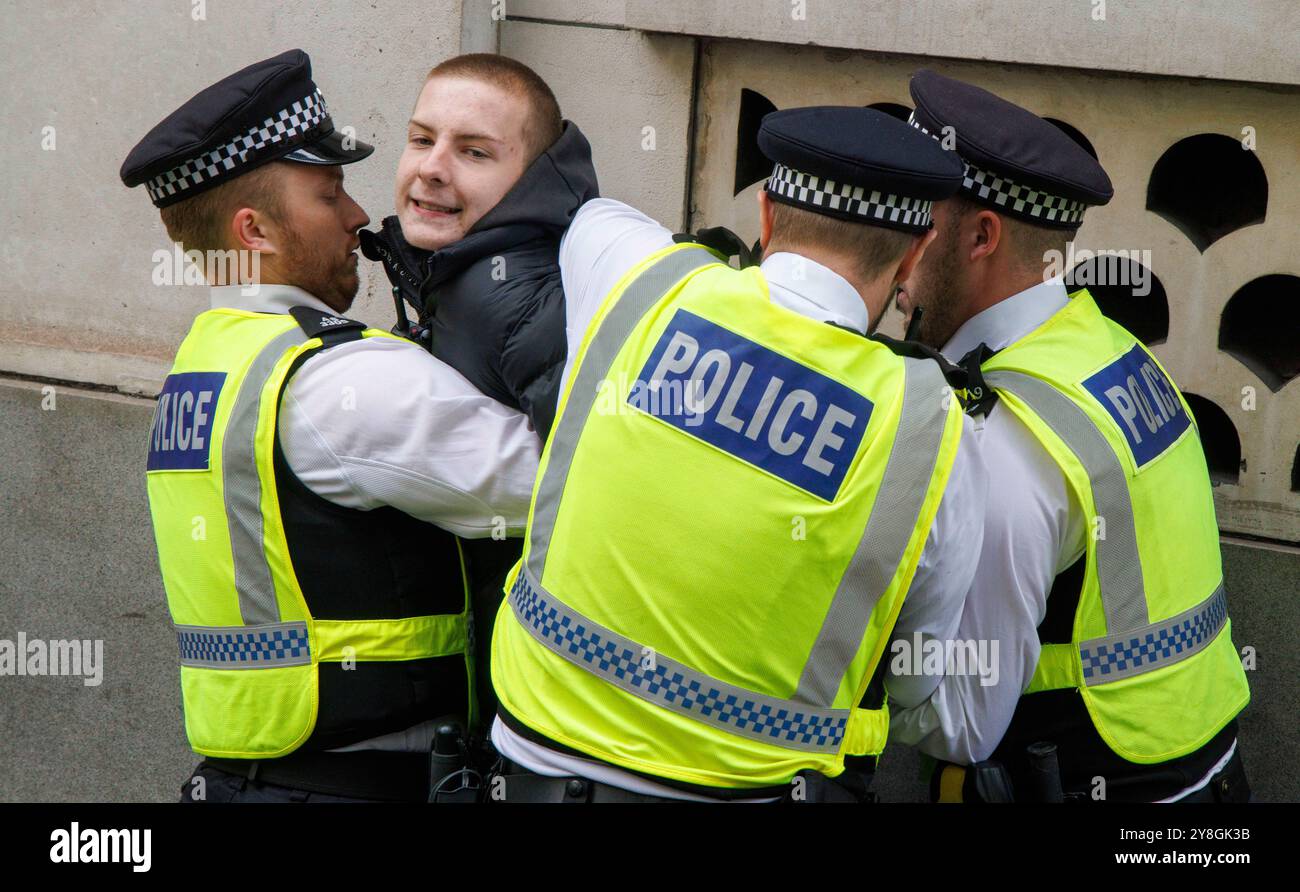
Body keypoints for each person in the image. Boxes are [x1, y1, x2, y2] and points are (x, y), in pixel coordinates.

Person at [487, 106, 989, 802]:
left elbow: (593, 214)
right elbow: (916, 677)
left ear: (765, 213)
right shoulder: (934, 426)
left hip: (532, 769)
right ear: (916, 253)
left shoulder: (636, 276)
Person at [120, 49, 540, 802]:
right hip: (360, 781)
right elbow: (561, 483)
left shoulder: (211, 363)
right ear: (255, 231)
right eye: (329, 193)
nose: (357, 217)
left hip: (251, 778)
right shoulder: (343, 381)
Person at [890, 70, 1251, 802]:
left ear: (982, 236)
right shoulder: (1109, 348)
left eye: (913, 218)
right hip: (1202, 772)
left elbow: (962, 723)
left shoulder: (1005, 434)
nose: (892, 241)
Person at [359, 54, 599, 718]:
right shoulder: (465, 270)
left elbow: (608, 481)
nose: (433, 167)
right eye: (421, 138)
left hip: (544, 683)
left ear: (530, 179)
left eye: (474, 152)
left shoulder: (516, 293)